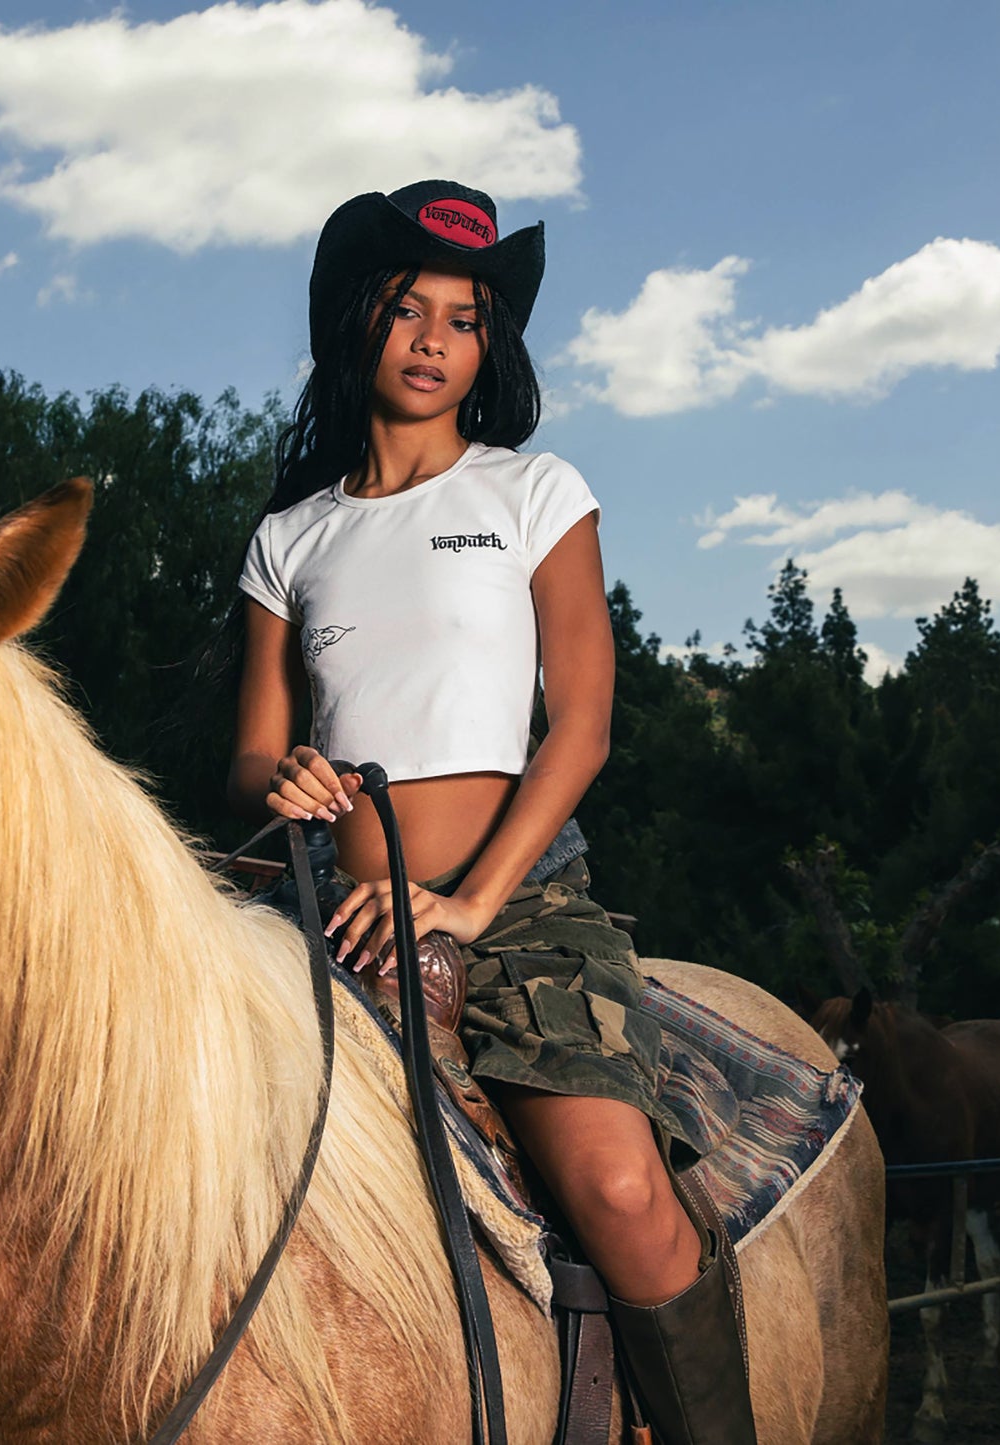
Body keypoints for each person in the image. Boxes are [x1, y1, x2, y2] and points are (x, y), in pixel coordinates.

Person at [228, 179, 755, 1444]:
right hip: (330, 919)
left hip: (520, 907)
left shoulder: (532, 492)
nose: (429, 339)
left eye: (463, 319)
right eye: (406, 310)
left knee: (622, 1192)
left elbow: (580, 721)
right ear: (357, 325)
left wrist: (468, 900)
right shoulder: (288, 538)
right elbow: (248, 758)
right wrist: (282, 779)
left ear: (487, 350)